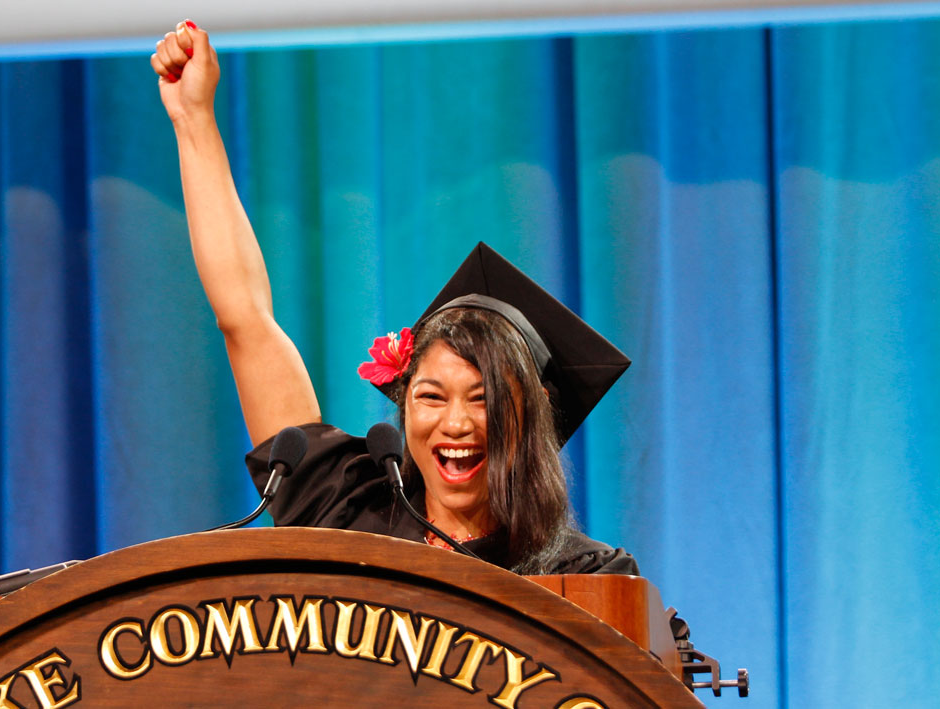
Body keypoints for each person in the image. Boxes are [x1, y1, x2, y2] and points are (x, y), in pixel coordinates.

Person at [152, 21, 637, 576]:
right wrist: (193, 120)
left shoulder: (584, 579)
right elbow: (246, 320)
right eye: (432, 396)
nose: (455, 424)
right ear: (403, 406)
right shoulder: (348, 512)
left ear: (532, 414)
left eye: (482, 399)